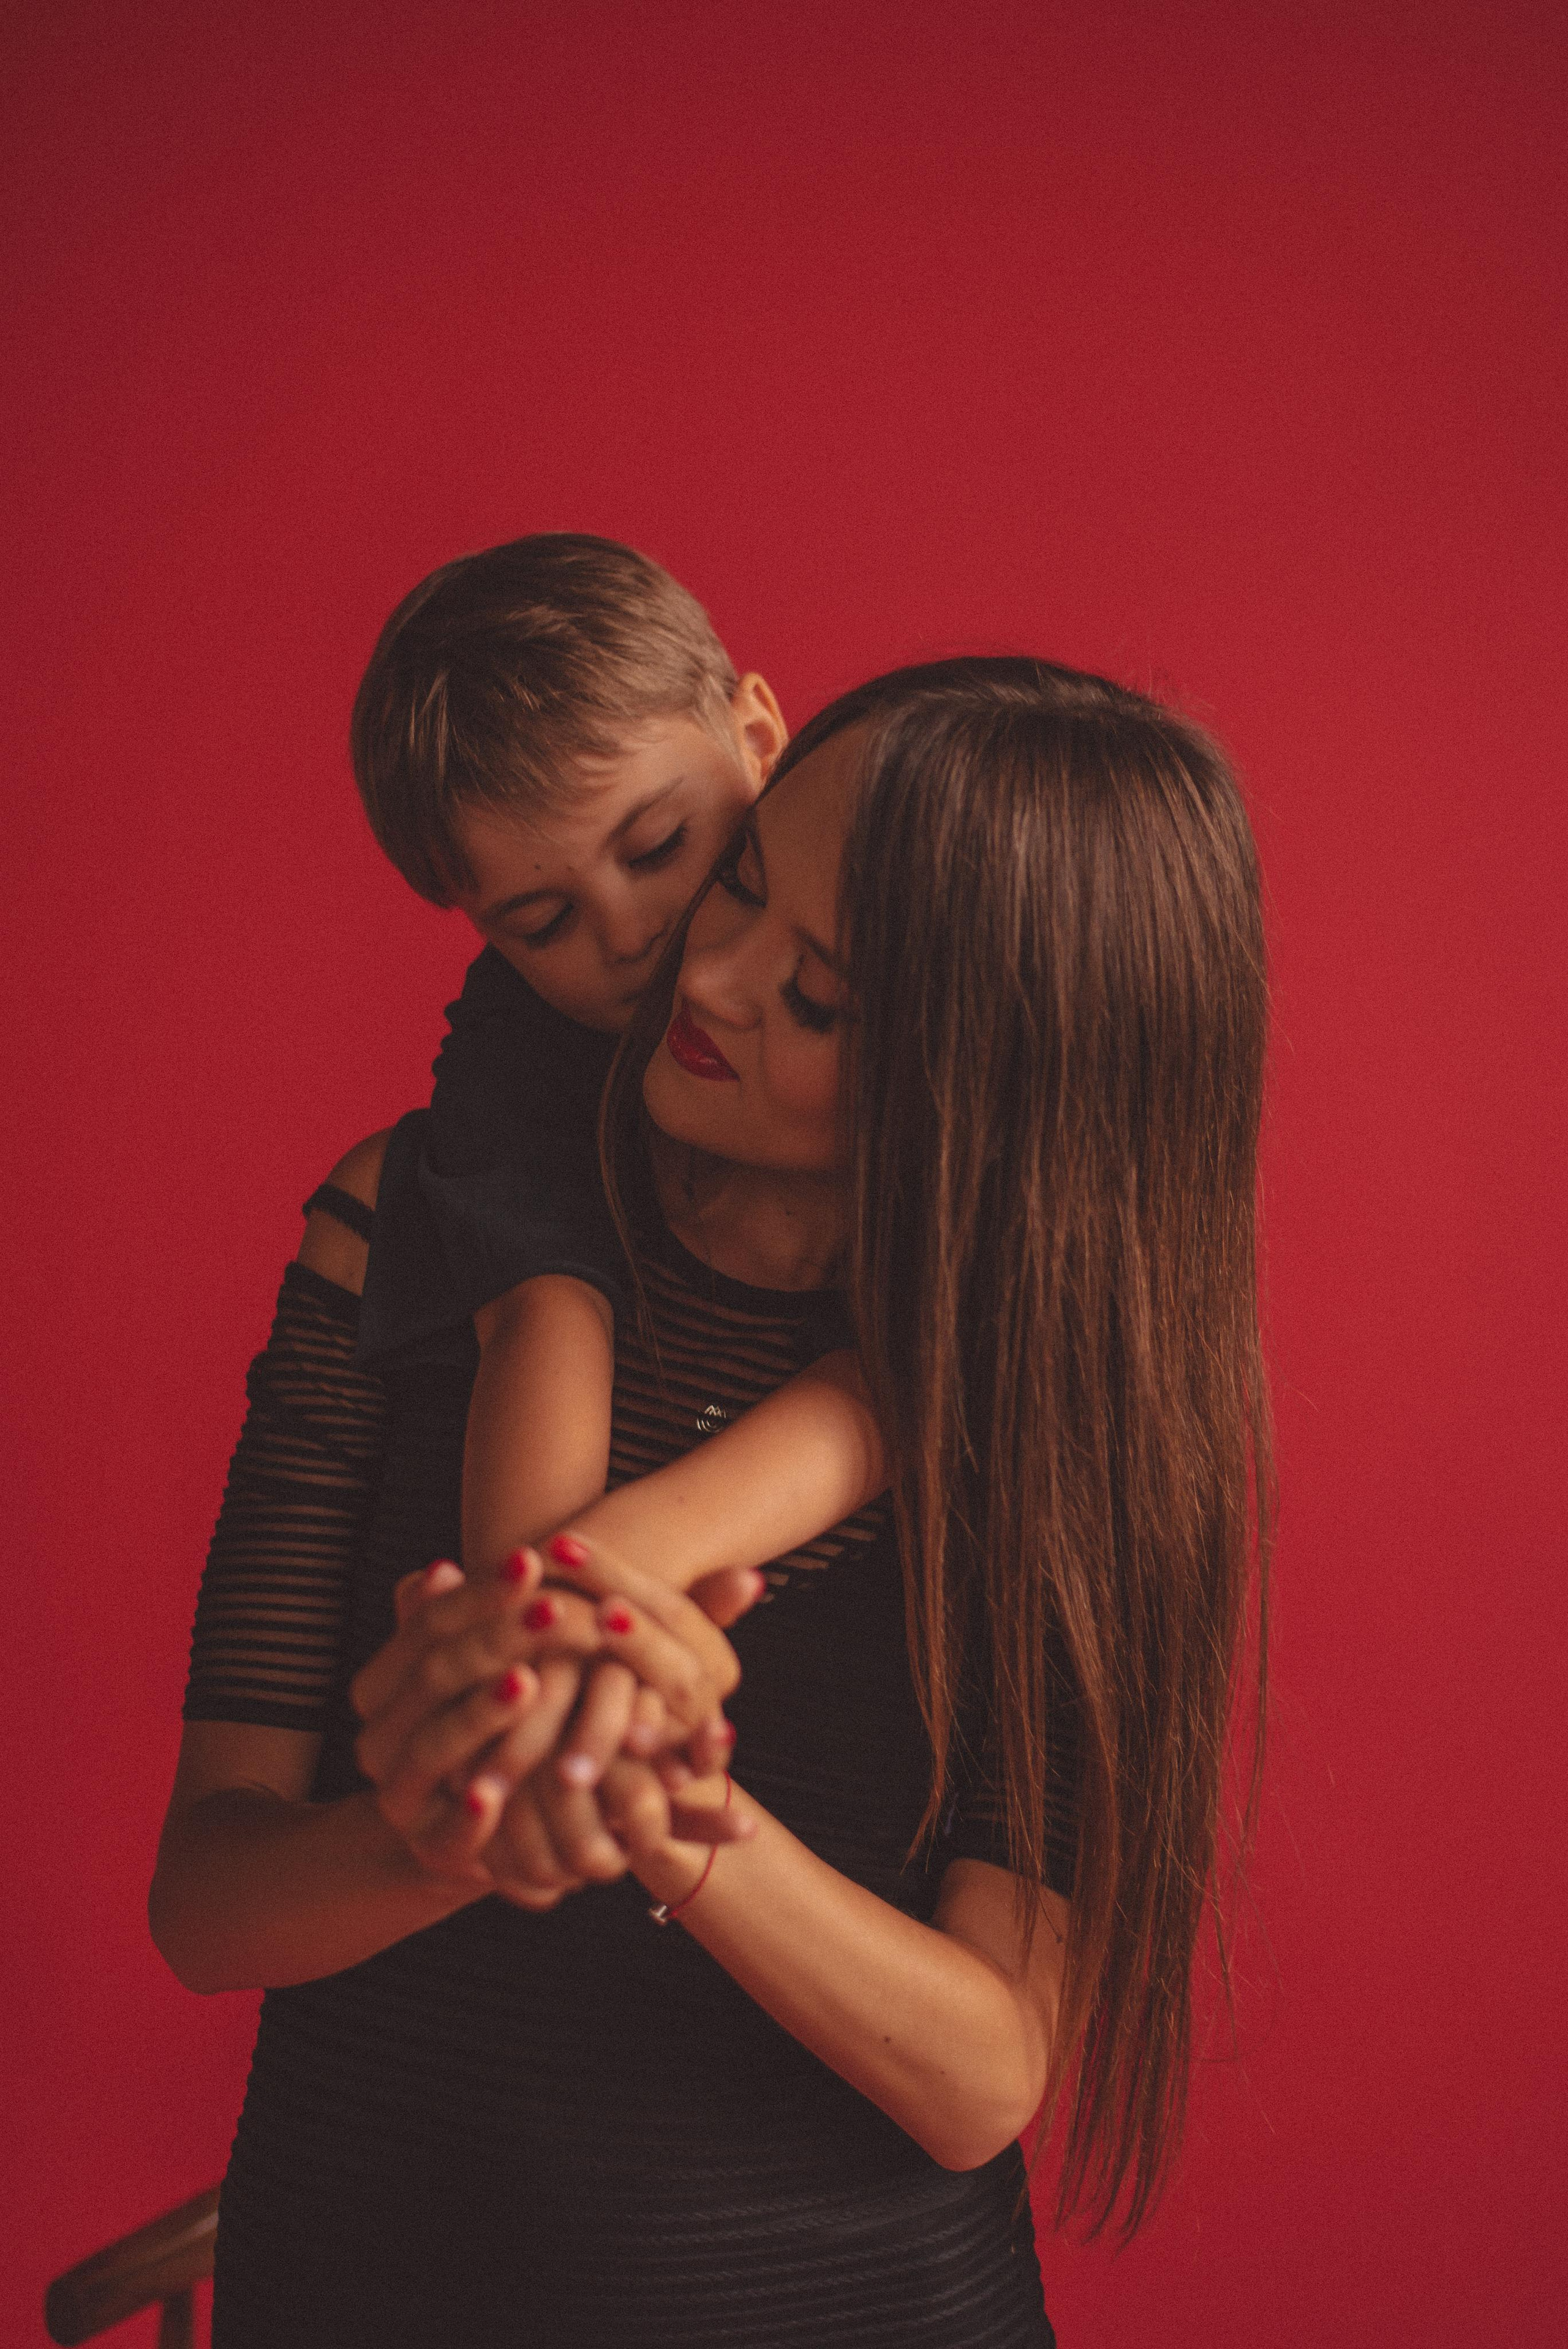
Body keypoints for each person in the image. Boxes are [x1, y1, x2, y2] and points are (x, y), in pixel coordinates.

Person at [151, 655, 1272, 2347]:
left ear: (995, 1082)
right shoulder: (420, 1224)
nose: (710, 972)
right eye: (736, 878)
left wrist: (677, 1820)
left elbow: (982, 2079)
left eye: (818, 998)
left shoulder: (1057, 1424)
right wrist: (449, 1830)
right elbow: (209, 1903)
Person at [349, 532, 886, 1693]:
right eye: (544, 924)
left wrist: (621, 1566)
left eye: (661, 848)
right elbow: (545, 1319)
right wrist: (542, 1636)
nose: (634, 935)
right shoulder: (519, 1059)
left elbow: (913, 1376)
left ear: (756, 739)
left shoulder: (897, 904)